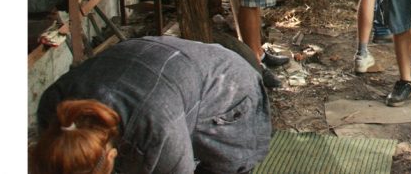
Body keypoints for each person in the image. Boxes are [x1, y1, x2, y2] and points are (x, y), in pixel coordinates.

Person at [30, 36, 271, 174]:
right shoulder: (53, 110)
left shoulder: (157, 132)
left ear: (112, 156)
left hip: (227, 85)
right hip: (157, 66)